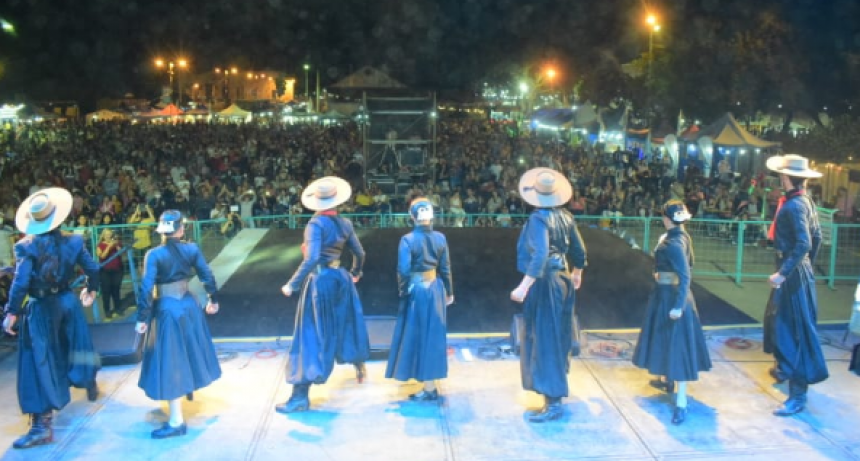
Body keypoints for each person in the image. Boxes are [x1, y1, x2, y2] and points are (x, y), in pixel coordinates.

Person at [2, 188, 101, 449]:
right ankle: (89, 381)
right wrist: (90, 290)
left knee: (38, 361)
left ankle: (41, 426)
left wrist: (11, 312)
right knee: (77, 345)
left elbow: (21, 282)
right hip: (67, 302)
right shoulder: (74, 240)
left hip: (42, 307)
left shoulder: (25, 246)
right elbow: (92, 268)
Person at [277, 176, 370, 413]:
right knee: (346, 324)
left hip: (321, 282)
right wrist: (355, 273)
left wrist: (292, 284)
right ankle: (359, 365)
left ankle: (299, 397)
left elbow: (312, 258)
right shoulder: (345, 223)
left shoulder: (315, 225)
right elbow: (360, 253)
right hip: (341, 279)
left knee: (309, 335)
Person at [135, 210, 222, 439]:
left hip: (166, 309)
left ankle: (176, 422)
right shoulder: (191, 249)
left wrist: (142, 318)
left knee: (170, 361)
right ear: (181, 230)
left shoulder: (153, 255)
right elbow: (206, 275)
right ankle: (188, 391)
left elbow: (146, 288)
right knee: (189, 352)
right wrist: (212, 298)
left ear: (161, 231)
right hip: (189, 305)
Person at [509, 168, 587, 423]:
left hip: (547, 282)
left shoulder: (538, 219)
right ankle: (553, 393)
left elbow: (540, 254)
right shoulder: (566, 216)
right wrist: (576, 273)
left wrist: (524, 285)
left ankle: (553, 402)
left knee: (546, 339)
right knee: (558, 335)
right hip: (562, 279)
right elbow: (579, 250)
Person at [631, 200, 712, 425]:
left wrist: (678, 305)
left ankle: (682, 403)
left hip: (672, 297)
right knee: (669, 342)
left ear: (666, 218)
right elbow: (690, 265)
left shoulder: (674, 242)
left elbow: (686, 275)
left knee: (678, 348)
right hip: (666, 294)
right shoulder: (681, 237)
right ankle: (668, 381)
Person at [762, 154, 829, 416]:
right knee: (779, 324)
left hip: (791, 273)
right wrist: (805, 266)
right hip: (797, 272)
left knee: (794, 332)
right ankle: (784, 369)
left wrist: (785, 272)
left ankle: (797, 396)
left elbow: (804, 243)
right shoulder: (804, 201)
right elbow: (818, 237)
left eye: (781, 175)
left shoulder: (793, 206)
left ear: (786, 177)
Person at [385, 196, 454, 400]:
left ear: (412, 217)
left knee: (415, 336)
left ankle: (427, 386)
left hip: (416, 291)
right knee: (432, 337)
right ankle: (430, 386)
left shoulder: (407, 240)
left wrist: (403, 290)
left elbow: (403, 270)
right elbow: (446, 268)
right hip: (436, 289)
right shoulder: (441, 238)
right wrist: (449, 292)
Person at [96, 228, 124, 319]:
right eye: (106, 234)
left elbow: (122, 254)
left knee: (116, 289)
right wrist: (109, 246)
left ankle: (118, 308)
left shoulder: (116, 243)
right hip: (105, 271)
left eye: (110, 234)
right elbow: (102, 256)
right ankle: (107, 310)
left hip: (117, 270)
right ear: (103, 235)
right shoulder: (100, 245)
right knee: (106, 291)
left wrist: (116, 245)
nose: (108, 236)